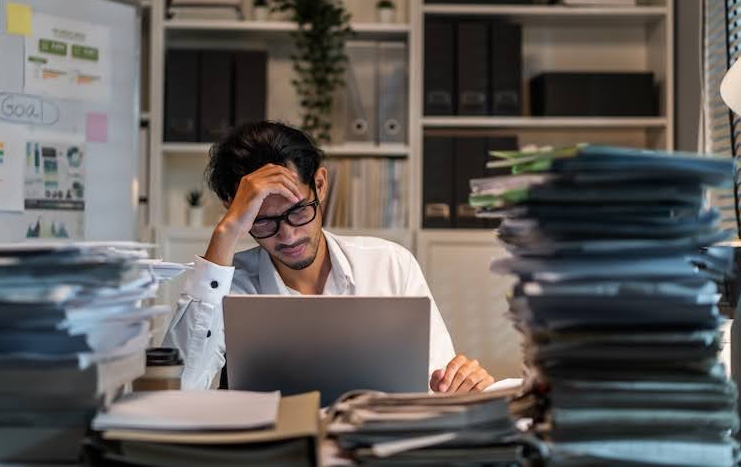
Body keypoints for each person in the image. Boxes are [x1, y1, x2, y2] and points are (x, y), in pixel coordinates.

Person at [163, 121, 494, 393]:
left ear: (320, 185)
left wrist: (461, 383)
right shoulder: (225, 286)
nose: (288, 235)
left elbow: (437, 385)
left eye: (298, 211)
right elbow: (180, 388)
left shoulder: (389, 264)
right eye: (262, 221)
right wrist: (226, 233)